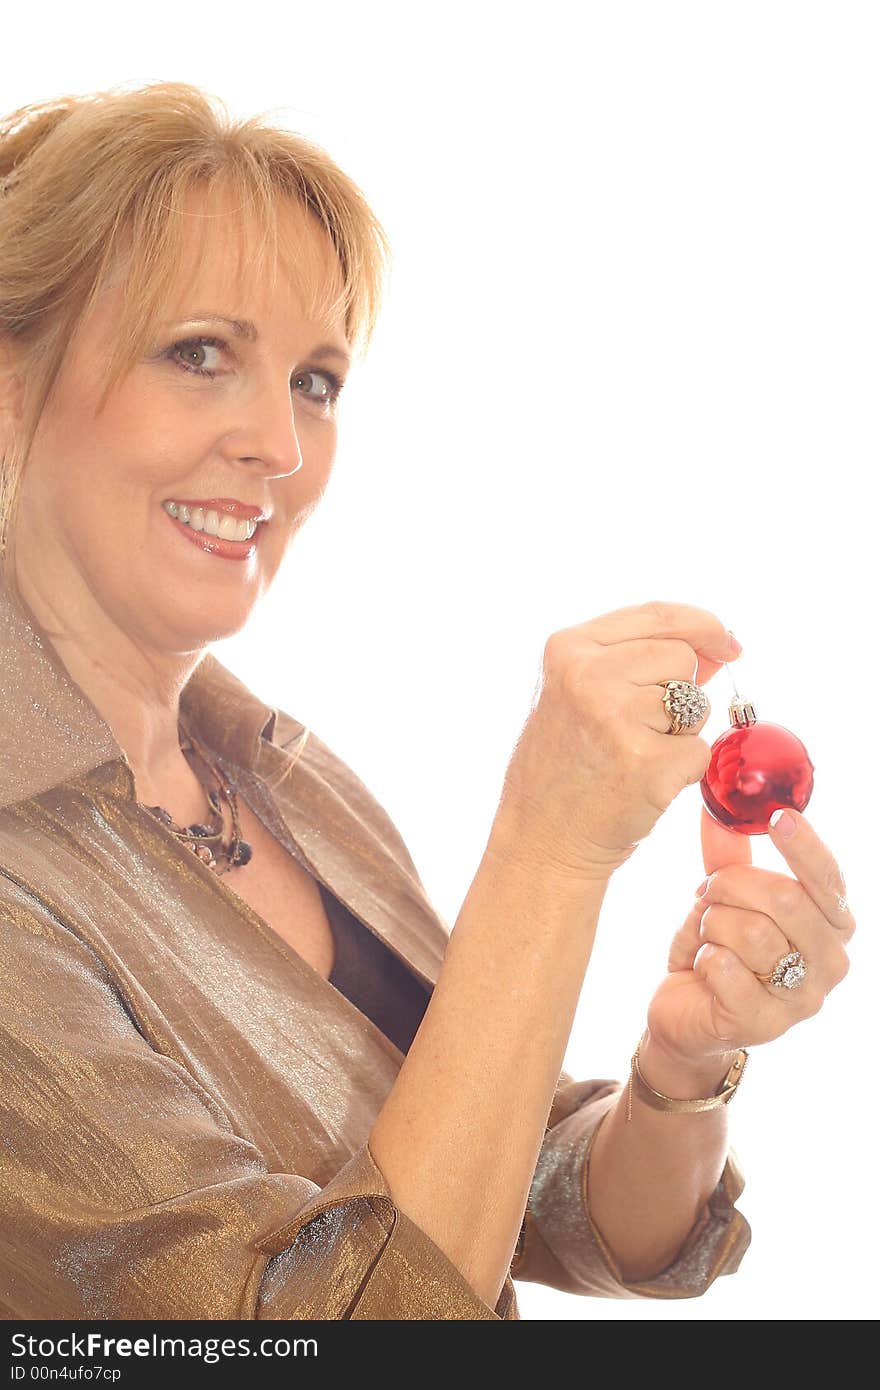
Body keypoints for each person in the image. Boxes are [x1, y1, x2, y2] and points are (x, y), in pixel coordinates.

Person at [0, 80, 854, 1322]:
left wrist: (680, 1065)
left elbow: (518, 1195)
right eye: (199, 353)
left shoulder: (277, 774)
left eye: (315, 381)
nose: (280, 448)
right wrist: (547, 851)